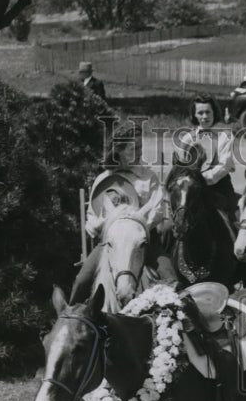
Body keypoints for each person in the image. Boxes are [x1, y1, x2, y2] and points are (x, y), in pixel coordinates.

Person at [69, 121, 176, 304]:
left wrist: (135, 227)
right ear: (119, 150)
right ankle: (72, 314)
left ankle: (176, 317)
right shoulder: (104, 179)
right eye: (134, 148)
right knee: (81, 281)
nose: (140, 152)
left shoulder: (148, 177)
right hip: (110, 243)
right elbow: (92, 217)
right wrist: (104, 225)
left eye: (141, 147)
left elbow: (157, 209)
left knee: (170, 277)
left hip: (144, 241)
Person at [177, 94, 238, 223]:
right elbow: (181, 167)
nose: (205, 116)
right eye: (200, 113)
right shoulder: (187, 139)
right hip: (192, 189)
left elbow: (224, 166)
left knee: (233, 222)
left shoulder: (224, 137)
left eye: (208, 112)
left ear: (214, 113)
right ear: (194, 115)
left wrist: (200, 180)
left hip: (219, 188)